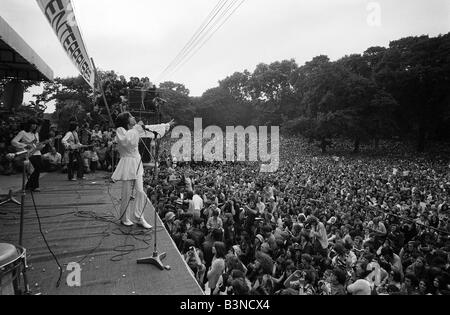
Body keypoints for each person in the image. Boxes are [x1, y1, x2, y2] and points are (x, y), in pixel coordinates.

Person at [112, 112, 173, 229]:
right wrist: (136, 129)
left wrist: (165, 125)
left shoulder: (135, 129)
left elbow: (151, 129)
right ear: (126, 121)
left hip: (137, 163)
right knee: (126, 193)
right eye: (130, 117)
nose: (133, 117)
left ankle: (139, 217)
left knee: (140, 191)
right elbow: (127, 142)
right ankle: (125, 218)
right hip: (128, 163)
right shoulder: (120, 130)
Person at [11, 119, 44, 192]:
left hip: (37, 152)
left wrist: (41, 146)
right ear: (29, 124)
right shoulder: (23, 132)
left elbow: (36, 144)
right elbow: (13, 142)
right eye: (32, 124)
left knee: (39, 168)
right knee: (36, 168)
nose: (34, 126)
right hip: (29, 153)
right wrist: (25, 145)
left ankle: (30, 185)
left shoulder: (36, 134)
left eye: (35, 124)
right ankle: (34, 186)